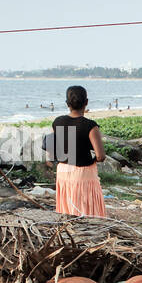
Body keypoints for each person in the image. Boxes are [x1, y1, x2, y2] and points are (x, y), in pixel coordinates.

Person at [52, 85, 107, 217]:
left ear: (67, 104)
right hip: (82, 173)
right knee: (86, 209)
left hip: (63, 171)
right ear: (86, 102)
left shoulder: (57, 122)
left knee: (67, 209)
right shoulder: (90, 126)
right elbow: (100, 156)